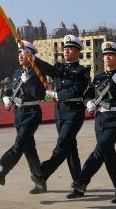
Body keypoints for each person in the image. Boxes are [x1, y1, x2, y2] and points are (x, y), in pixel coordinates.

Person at [70, 41, 116, 204]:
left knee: (100, 149)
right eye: (105, 55)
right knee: (108, 157)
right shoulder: (99, 78)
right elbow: (88, 94)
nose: (107, 57)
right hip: (100, 121)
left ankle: (82, 181)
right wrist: (89, 103)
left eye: (111, 55)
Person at [30, 35, 91, 196]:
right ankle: (79, 185)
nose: (66, 51)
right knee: (70, 149)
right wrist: (33, 58)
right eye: (64, 48)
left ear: (78, 52)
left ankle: (42, 173)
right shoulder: (59, 68)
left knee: (61, 145)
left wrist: (57, 95)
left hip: (74, 113)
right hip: (60, 114)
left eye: (70, 48)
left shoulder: (82, 71)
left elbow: (76, 90)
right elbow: (46, 67)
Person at [0, 41, 47, 189]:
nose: (20, 56)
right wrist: (6, 98)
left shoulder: (37, 73)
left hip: (32, 114)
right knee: (29, 148)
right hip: (19, 114)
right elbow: (8, 91)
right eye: (19, 53)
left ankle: (3, 173)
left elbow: (41, 94)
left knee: (19, 144)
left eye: (24, 53)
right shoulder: (16, 74)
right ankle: (40, 181)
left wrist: (31, 81)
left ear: (31, 55)